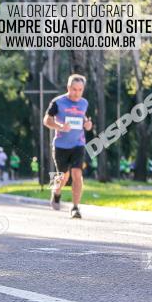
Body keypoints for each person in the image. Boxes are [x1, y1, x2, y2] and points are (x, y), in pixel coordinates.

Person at [43, 73, 93, 219]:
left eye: (80, 90)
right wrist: (59, 126)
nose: (77, 93)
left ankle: (75, 207)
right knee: (63, 177)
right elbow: (46, 120)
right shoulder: (58, 102)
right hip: (61, 146)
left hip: (78, 144)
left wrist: (88, 125)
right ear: (68, 87)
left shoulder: (84, 103)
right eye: (74, 89)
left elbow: (83, 119)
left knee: (77, 174)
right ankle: (56, 192)